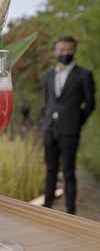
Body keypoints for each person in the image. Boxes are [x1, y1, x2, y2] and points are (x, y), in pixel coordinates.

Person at [41, 36, 96, 215]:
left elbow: (90, 104)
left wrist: (77, 122)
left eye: (68, 50)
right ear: (56, 51)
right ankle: (47, 205)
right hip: (50, 128)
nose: (65, 53)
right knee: (50, 169)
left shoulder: (84, 75)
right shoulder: (48, 76)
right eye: (61, 50)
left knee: (69, 171)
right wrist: (46, 119)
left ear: (74, 50)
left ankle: (70, 210)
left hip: (70, 129)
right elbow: (47, 101)